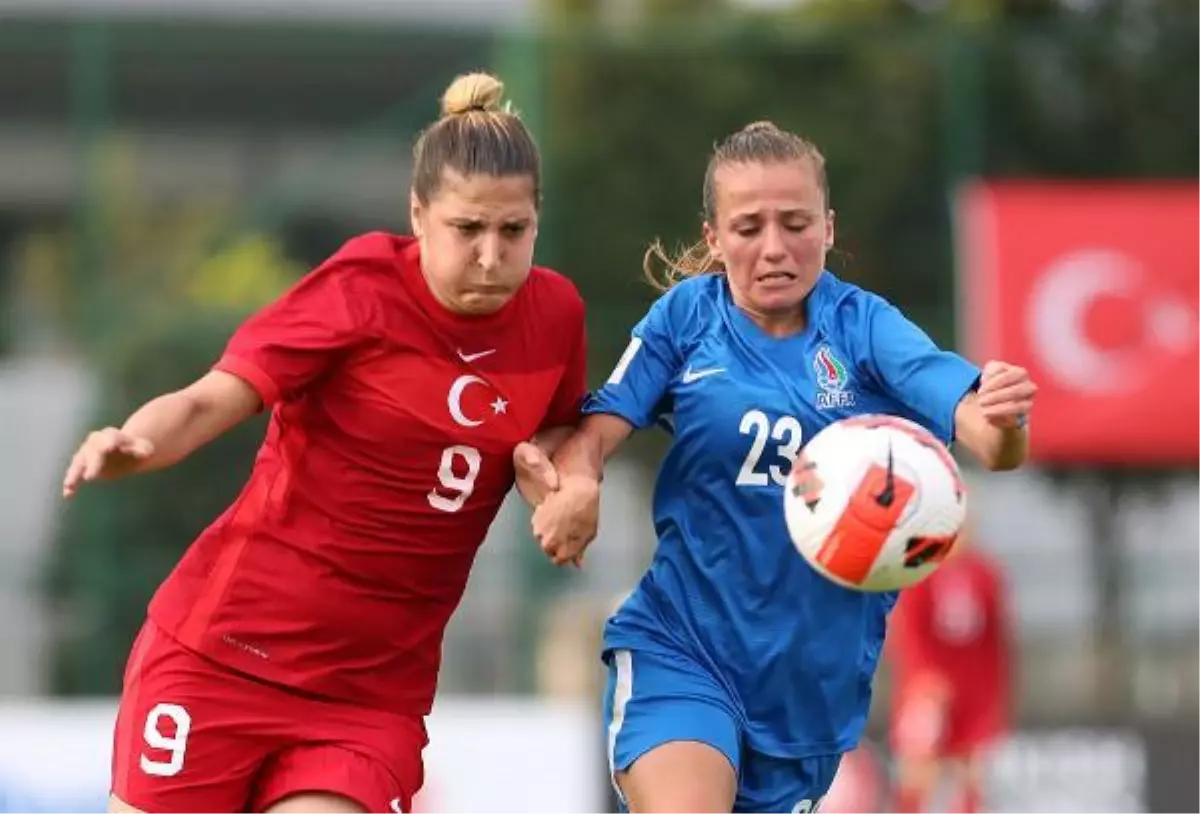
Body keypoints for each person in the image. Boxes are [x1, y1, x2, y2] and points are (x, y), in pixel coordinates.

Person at [61, 72, 587, 814]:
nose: (492, 256)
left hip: (366, 700)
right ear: (419, 214)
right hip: (222, 657)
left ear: (537, 219)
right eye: (467, 230)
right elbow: (212, 396)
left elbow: (559, 427)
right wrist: (139, 442)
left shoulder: (557, 315)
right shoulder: (359, 289)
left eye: (514, 231)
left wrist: (570, 478)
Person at [523, 121, 1037, 814]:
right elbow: (596, 431)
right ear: (714, 238)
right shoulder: (684, 319)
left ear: (827, 228)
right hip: (684, 651)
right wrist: (579, 485)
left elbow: (988, 439)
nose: (774, 248)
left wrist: (1003, 419)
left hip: (809, 699)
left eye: (795, 224)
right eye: (748, 226)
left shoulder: (865, 328)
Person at [886, 530, 1013, 814]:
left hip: (974, 691)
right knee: (919, 766)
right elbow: (907, 632)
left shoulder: (984, 573)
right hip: (926, 689)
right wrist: (921, 680)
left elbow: (997, 641)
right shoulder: (917, 571)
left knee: (971, 771)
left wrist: (993, 696)